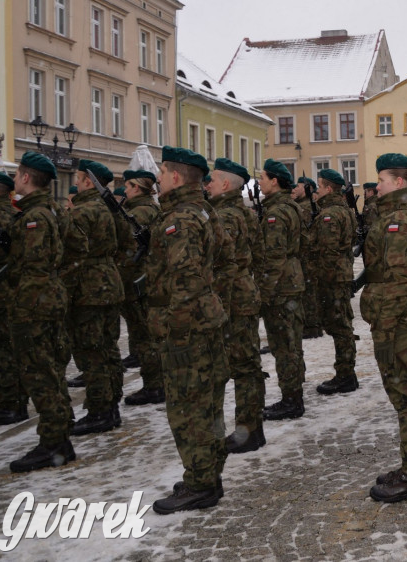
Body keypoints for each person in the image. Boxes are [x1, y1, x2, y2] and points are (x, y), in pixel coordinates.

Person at [145, 146, 229, 512]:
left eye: (162, 173)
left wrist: (172, 328)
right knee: (208, 402)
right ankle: (206, 473)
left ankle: (200, 484)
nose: (158, 180)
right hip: (204, 319)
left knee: (187, 405)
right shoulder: (204, 211)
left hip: (186, 327)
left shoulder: (179, 219)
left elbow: (186, 280)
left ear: (175, 176)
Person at [362, 154, 407, 503]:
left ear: (400, 182)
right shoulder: (397, 215)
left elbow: (400, 280)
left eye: (383, 179)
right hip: (401, 316)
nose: (378, 185)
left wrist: (387, 319)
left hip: (399, 319)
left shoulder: (399, 221)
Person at [3, 153, 76, 472]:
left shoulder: (35, 216)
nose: (15, 179)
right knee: (49, 367)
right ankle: (59, 435)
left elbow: (30, 263)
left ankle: (53, 442)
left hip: (35, 300)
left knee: (39, 371)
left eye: (18, 174)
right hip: (48, 295)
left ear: (26, 177)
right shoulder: (52, 209)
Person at [206, 158, 267, 454]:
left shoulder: (226, 215)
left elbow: (225, 264)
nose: (208, 184)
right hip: (241, 293)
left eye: (213, 180)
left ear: (226, 185)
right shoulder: (237, 212)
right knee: (246, 364)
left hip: (234, 297)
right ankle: (251, 427)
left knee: (244, 366)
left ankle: (249, 430)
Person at [64, 160, 125, 436]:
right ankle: (110, 405)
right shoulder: (108, 209)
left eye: (78, 178)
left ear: (88, 182)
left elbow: (69, 253)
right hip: (109, 282)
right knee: (108, 348)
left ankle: (100, 410)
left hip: (89, 287)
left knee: (91, 352)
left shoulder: (82, 212)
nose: (76, 183)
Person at [256, 159, 307, 420]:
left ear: (274, 181)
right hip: (292, 281)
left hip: (281, 286)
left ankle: (291, 399)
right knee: (292, 343)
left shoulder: (277, 212)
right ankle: (294, 394)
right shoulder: (292, 206)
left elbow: (274, 257)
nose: (259, 181)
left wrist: (262, 293)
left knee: (285, 346)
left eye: (263, 177)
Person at [117, 169, 164, 406]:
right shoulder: (153, 209)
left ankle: (154, 385)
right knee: (150, 335)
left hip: (138, 281)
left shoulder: (138, 213)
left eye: (127, 186)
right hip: (149, 278)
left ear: (136, 187)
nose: (124, 190)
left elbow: (125, 247)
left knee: (144, 337)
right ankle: (157, 383)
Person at [311, 168, 360, 395]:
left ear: (328, 188)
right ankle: (346, 372)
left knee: (340, 327)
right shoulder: (343, 210)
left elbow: (327, 250)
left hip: (333, 276)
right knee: (343, 325)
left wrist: (320, 275)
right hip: (341, 274)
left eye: (319, 187)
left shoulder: (330, 213)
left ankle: (346, 375)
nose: (316, 191)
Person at [0, 170, 28, 427]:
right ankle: (17, 400)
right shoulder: (17, 215)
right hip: (13, 292)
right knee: (11, 349)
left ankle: (10, 403)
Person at [293, 176, 323, 339]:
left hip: (307, 255)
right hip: (308, 254)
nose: (295, 189)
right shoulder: (305, 206)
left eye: (298, 187)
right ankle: (314, 324)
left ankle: (311, 326)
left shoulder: (305, 208)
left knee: (309, 292)